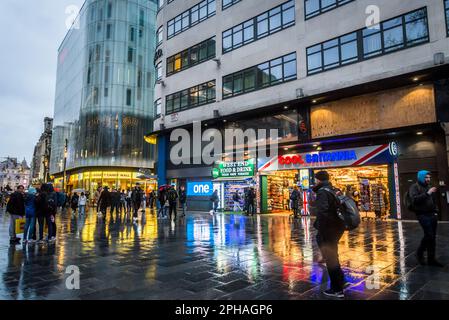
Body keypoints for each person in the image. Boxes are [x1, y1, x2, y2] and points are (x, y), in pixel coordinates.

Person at [312, 170, 346, 299]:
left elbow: (323, 212)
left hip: (328, 230)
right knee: (333, 256)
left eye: (315, 179)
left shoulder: (322, 192)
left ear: (319, 180)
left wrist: (321, 231)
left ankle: (337, 289)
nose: (314, 181)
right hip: (338, 227)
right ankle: (341, 280)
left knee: (330, 259)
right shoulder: (333, 189)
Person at [409, 170, 443, 267]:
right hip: (422, 215)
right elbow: (414, 200)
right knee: (429, 235)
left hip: (432, 214)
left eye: (429, 177)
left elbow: (433, 200)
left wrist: (436, 211)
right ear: (421, 177)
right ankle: (419, 253)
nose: (428, 179)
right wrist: (427, 193)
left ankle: (431, 259)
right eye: (426, 177)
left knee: (432, 237)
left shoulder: (428, 186)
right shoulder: (414, 187)